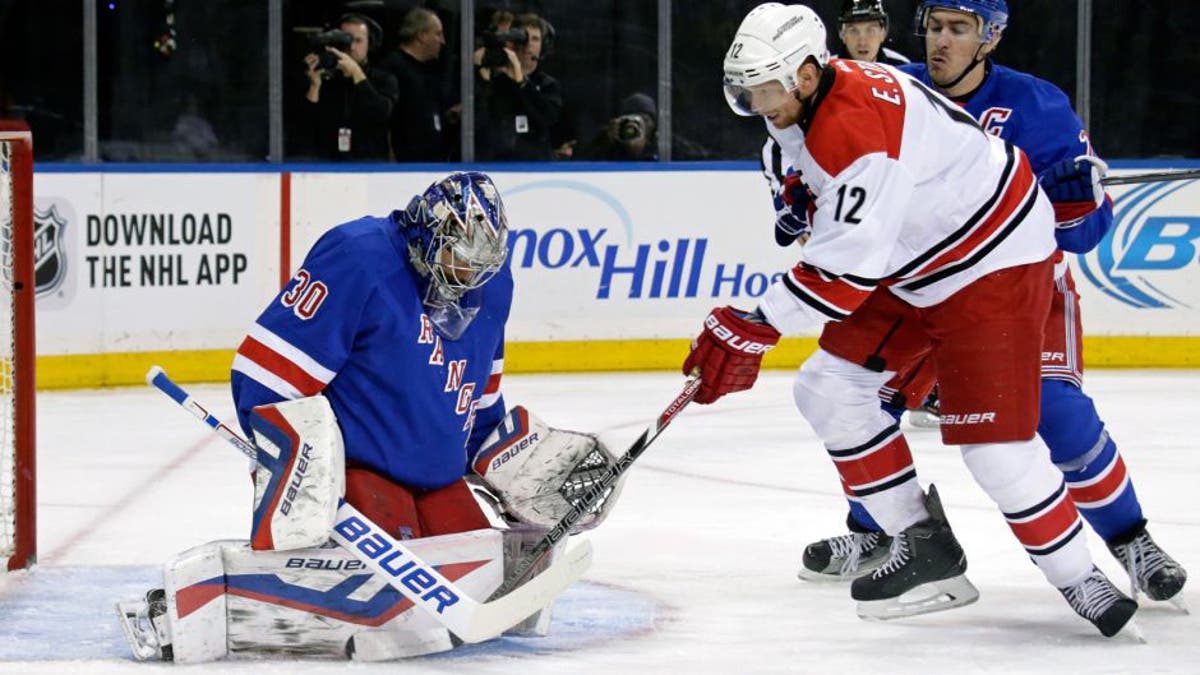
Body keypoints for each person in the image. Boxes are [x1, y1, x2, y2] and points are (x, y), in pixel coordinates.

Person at [688, 2, 1138, 637]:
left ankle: (1078, 576)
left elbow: (844, 275)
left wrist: (751, 323)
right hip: (919, 257)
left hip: (995, 261)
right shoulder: (812, 100)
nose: (759, 105)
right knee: (827, 389)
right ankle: (923, 547)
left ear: (809, 74)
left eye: (766, 90)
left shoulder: (853, 128)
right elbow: (844, 224)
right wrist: (807, 194)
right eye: (748, 93)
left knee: (994, 447)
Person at [116, 173, 619, 662]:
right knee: (391, 606)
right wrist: (290, 454)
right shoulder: (360, 258)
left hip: (437, 478)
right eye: (459, 260)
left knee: (481, 569)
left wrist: (512, 461)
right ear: (426, 235)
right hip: (359, 475)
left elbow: (479, 398)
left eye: (482, 266)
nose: (470, 277)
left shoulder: (491, 284)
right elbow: (264, 372)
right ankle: (189, 604)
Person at [796, 0, 1188, 611]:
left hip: (1017, 287)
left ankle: (1131, 540)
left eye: (959, 29)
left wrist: (1078, 201)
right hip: (921, 288)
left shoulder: (1038, 106)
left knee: (1054, 408)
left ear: (990, 38)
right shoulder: (893, 91)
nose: (939, 42)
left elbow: (1083, 236)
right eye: (933, 28)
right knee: (862, 398)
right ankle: (885, 535)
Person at [295, 13, 399, 161]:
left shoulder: (384, 78)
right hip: (328, 165)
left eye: (358, 40)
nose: (351, 47)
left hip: (370, 167)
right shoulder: (325, 78)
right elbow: (305, 128)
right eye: (346, 40)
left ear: (370, 43)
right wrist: (314, 86)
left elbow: (381, 114)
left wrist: (356, 73)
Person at [473, 12, 563, 161]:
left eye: (535, 39)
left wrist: (522, 82)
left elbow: (548, 118)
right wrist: (480, 77)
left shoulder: (548, 85)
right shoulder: (496, 83)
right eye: (525, 38)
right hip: (498, 166)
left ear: (543, 45)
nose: (529, 44)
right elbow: (479, 123)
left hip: (536, 167)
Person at [377, 7, 454, 161]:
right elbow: (383, 118)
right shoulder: (392, 67)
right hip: (405, 167)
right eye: (438, 34)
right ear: (422, 36)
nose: (443, 41)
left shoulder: (431, 69)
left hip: (433, 165)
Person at [575, 93, 711, 162]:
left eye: (644, 120)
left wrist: (645, 150)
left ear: (654, 124)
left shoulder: (665, 144)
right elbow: (577, 163)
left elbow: (705, 158)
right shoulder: (610, 141)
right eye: (631, 118)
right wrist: (605, 141)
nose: (636, 124)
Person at [836, 0, 909, 65]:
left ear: (883, 33)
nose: (862, 42)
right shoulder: (828, 70)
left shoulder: (901, 68)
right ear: (842, 34)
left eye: (871, 31)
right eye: (853, 31)